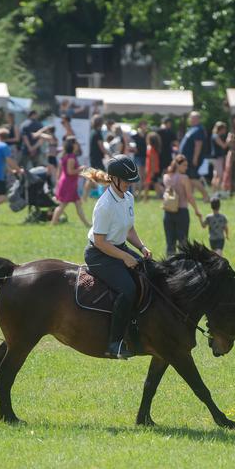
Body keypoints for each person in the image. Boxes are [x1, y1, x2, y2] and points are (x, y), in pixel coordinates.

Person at [82, 154, 153, 359]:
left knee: (149, 272)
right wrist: (124, 257)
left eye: (131, 182)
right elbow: (100, 241)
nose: (130, 185)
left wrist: (141, 247)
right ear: (114, 179)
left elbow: (129, 229)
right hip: (99, 254)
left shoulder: (128, 197)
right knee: (128, 289)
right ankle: (114, 343)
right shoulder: (104, 205)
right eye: (127, 181)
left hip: (117, 247)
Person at [162, 155, 203, 256]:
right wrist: (196, 210)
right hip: (182, 212)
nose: (186, 167)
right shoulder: (184, 178)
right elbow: (189, 196)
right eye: (184, 165)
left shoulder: (166, 177)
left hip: (168, 212)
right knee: (183, 243)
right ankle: (182, 267)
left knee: (170, 243)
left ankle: (169, 267)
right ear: (177, 165)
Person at [51, 136, 90, 227]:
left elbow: (62, 171)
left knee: (77, 204)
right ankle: (53, 223)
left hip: (68, 183)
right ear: (73, 145)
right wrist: (81, 168)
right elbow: (70, 171)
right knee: (63, 205)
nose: (78, 145)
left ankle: (87, 224)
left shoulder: (66, 155)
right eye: (76, 143)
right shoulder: (71, 157)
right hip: (68, 184)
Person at [179, 111, 209, 201]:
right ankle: (189, 196)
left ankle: (206, 196)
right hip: (187, 159)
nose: (189, 119)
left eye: (191, 117)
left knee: (193, 178)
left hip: (191, 159)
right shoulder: (192, 129)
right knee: (189, 178)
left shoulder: (199, 130)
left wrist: (195, 158)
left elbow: (198, 145)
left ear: (196, 119)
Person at [209, 121, 228, 193]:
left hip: (217, 158)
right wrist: (228, 140)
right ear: (221, 129)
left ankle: (214, 191)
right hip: (217, 158)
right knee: (219, 175)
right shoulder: (215, 136)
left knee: (216, 175)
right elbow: (224, 146)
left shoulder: (215, 136)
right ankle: (216, 191)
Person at [143, 131, 162, 202]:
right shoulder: (154, 148)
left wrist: (151, 171)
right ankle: (160, 197)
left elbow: (152, 161)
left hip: (151, 169)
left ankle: (145, 198)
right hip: (153, 169)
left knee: (148, 184)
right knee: (155, 183)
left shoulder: (150, 148)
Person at [156, 117, 176, 183]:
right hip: (167, 154)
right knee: (168, 171)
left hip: (159, 154)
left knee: (159, 172)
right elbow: (175, 143)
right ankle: (166, 184)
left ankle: (161, 184)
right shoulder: (170, 132)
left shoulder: (158, 131)